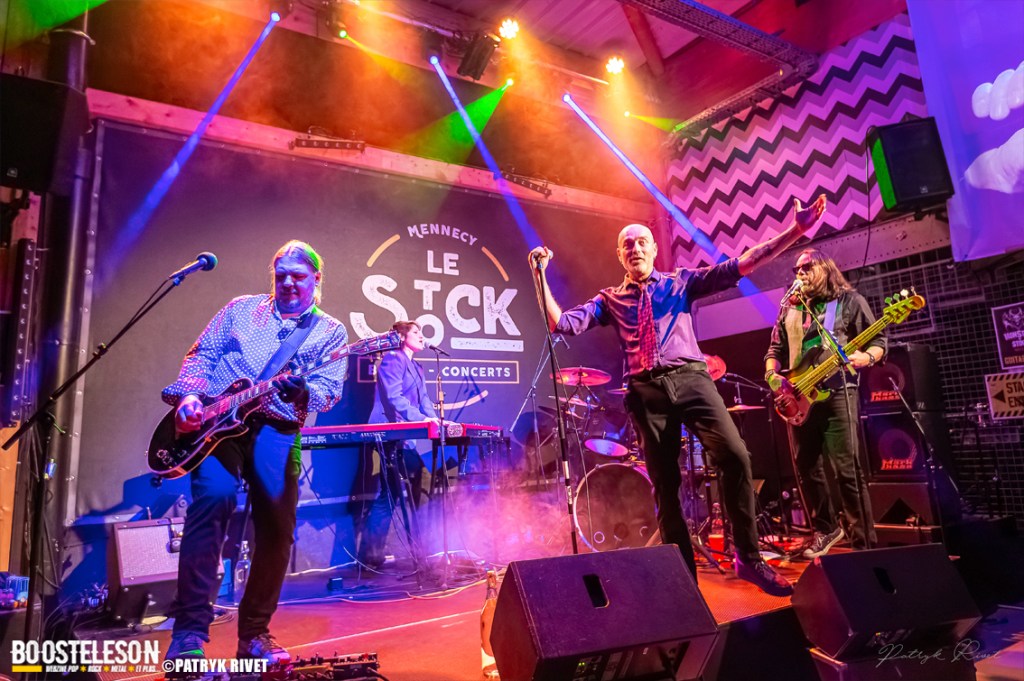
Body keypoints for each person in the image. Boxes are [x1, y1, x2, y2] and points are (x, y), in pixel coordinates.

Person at [530, 195, 828, 597]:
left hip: (691, 379)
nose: (635, 248)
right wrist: (539, 275)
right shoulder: (609, 299)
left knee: (735, 455)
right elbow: (561, 324)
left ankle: (748, 557)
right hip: (646, 392)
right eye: (627, 244)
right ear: (620, 255)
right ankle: (685, 582)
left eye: (642, 242)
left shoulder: (681, 282)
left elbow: (744, 263)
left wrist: (797, 230)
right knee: (665, 487)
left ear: (654, 250)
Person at [162, 241, 349, 663]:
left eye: (298, 276)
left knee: (278, 528)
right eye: (281, 275)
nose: (288, 283)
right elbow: (202, 356)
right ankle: (188, 633)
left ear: (316, 279)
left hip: (277, 429)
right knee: (213, 500)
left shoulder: (330, 331)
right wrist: (190, 397)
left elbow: (328, 392)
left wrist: (303, 391)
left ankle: (254, 635)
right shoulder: (240, 309)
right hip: (217, 428)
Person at [765, 248, 884, 557]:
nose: (799, 273)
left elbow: (879, 342)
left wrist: (866, 357)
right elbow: (774, 351)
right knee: (807, 468)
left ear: (825, 269)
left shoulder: (849, 302)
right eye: (796, 269)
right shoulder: (789, 309)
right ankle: (825, 528)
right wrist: (772, 376)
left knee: (847, 469)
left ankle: (863, 543)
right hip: (799, 396)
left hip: (839, 391)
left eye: (806, 267)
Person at [358, 321, 438, 568]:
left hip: (404, 435)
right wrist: (421, 419)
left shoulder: (417, 366)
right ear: (402, 337)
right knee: (390, 494)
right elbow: (394, 397)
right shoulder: (393, 359)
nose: (421, 336)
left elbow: (424, 400)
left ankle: (415, 549)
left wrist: (436, 420)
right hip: (388, 432)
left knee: (409, 487)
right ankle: (370, 555)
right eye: (415, 332)